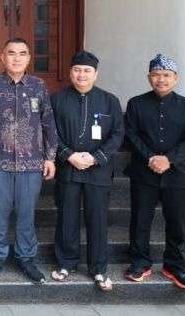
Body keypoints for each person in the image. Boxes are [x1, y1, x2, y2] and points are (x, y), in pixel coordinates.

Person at [0, 38, 58, 284]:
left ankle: (26, 259)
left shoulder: (38, 86)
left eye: (22, 53)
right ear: (2, 57)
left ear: (29, 58)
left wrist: (50, 157)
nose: (17, 58)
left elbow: (48, 122)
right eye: (11, 53)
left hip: (31, 163)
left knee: (26, 215)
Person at [124, 54, 185, 290]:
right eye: (156, 75)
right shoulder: (136, 104)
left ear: (175, 78)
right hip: (143, 173)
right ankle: (140, 263)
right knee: (140, 220)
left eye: (166, 75)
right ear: (149, 77)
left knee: (177, 223)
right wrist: (151, 157)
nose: (161, 79)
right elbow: (131, 135)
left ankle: (175, 266)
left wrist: (168, 159)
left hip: (178, 175)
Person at [50, 51, 124, 291]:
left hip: (98, 169)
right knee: (67, 217)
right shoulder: (57, 99)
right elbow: (50, 132)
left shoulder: (109, 101)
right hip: (68, 167)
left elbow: (118, 134)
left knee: (98, 219)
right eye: (77, 70)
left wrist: (96, 157)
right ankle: (66, 263)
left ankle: (98, 268)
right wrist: (68, 155)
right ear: (70, 72)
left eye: (86, 71)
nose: (81, 75)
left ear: (95, 74)